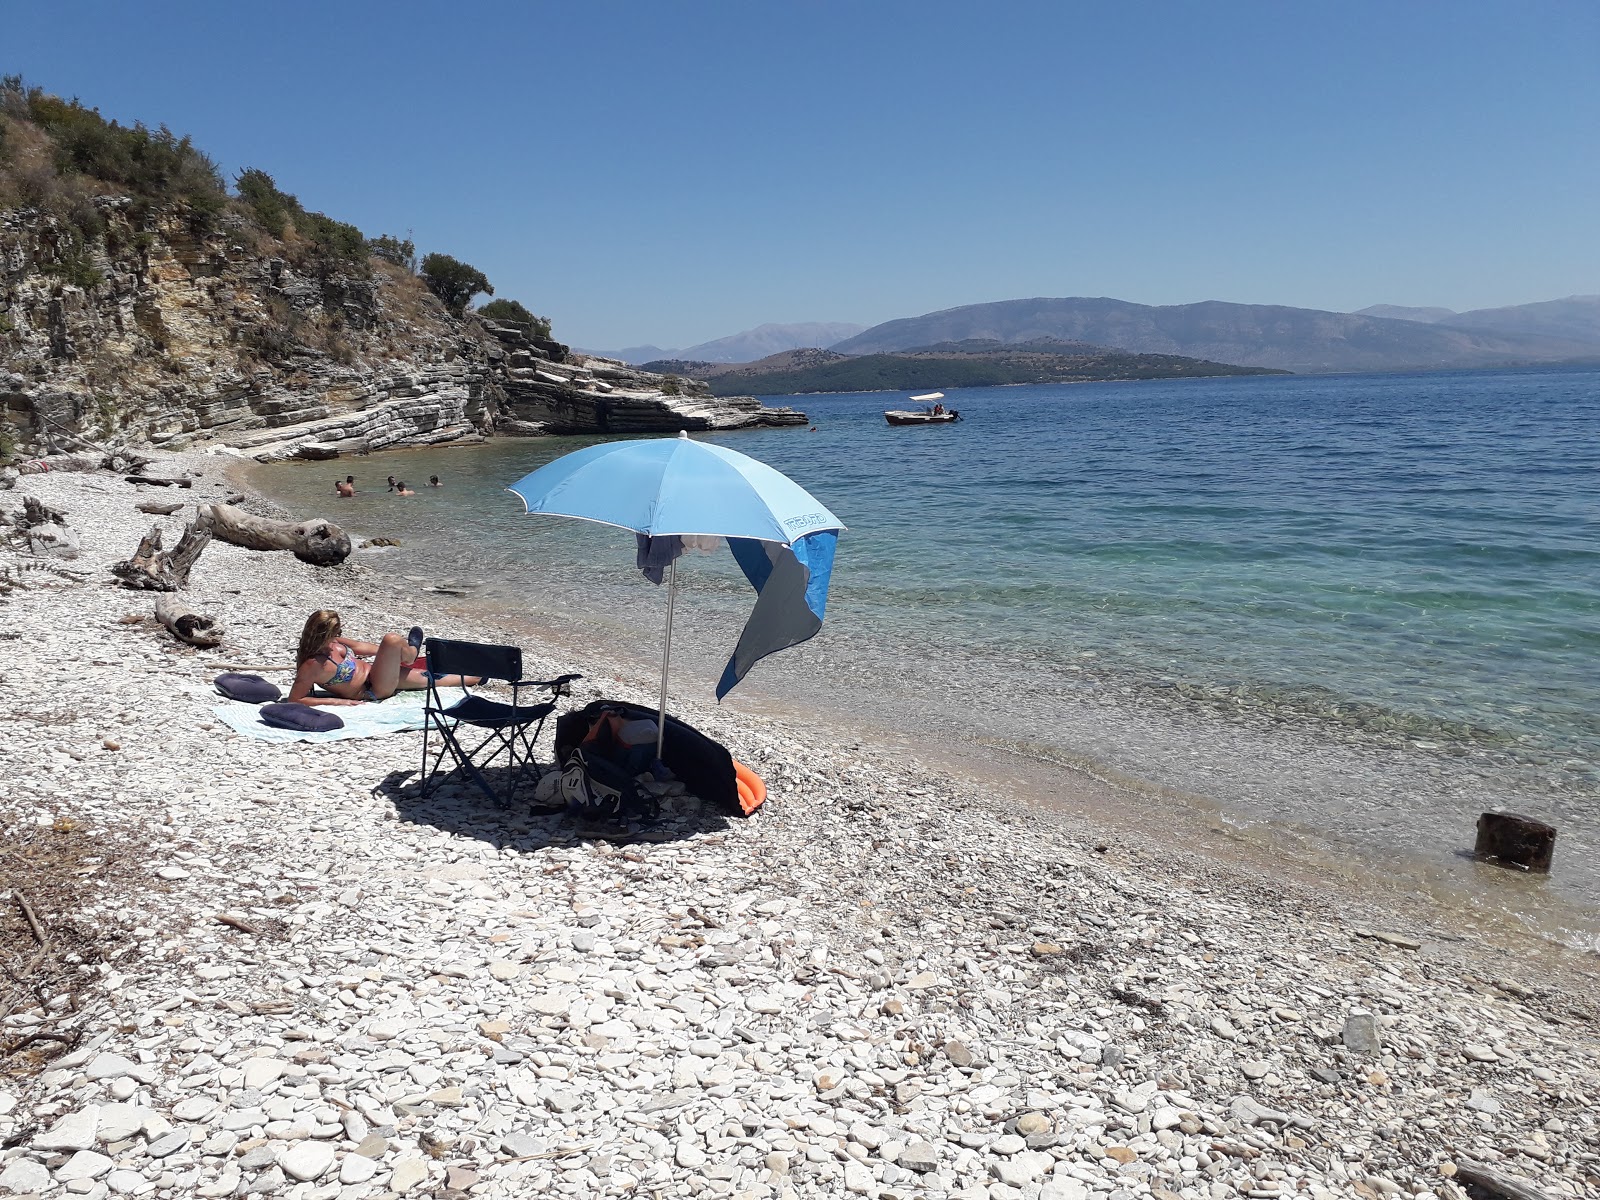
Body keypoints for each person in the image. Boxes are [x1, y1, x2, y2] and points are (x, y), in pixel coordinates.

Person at [288, 610, 476, 707]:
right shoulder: (311, 665)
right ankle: (410, 654)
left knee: (433, 679)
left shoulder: (334, 643)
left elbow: (363, 647)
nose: (340, 633)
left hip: (378, 673)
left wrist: (391, 655)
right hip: (373, 689)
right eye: (337, 631)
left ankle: (482, 676)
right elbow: (295, 699)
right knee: (391, 639)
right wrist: (338, 702)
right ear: (322, 633)